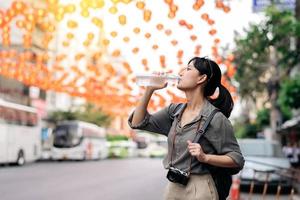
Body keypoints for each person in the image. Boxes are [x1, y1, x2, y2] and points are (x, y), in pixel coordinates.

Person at [128, 57, 244, 200]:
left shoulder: (215, 118)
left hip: (200, 187)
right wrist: (150, 89)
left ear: (201, 78)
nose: (180, 73)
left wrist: (205, 157)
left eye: (188, 69)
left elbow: (236, 159)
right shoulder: (174, 111)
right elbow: (137, 122)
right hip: (174, 186)